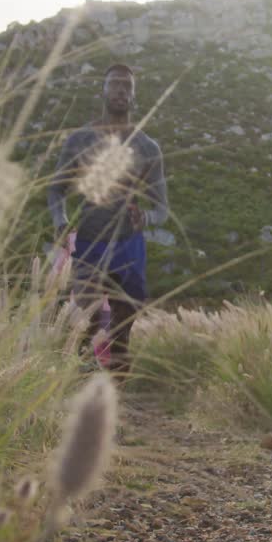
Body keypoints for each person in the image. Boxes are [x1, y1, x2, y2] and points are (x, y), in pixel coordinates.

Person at [48, 63, 167, 377]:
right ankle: (81, 389)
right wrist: (59, 222)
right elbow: (55, 189)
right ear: (102, 90)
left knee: (122, 331)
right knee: (85, 325)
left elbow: (162, 209)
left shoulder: (148, 147)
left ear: (134, 95)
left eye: (127, 86)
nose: (120, 91)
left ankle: (118, 403)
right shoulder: (79, 140)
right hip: (88, 242)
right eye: (114, 84)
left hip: (128, 244)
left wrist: (147, 217)